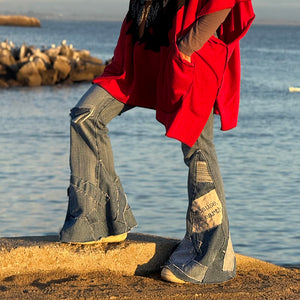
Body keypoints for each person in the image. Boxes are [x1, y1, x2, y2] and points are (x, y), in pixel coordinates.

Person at [60, 0, 255, 284]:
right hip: (142, 55)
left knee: (198, 148)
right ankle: (100, 219)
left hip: (191, 55)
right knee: (85, 116)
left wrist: (187, 47)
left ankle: (216, 253)